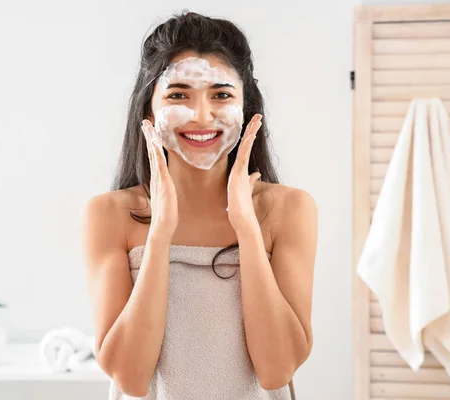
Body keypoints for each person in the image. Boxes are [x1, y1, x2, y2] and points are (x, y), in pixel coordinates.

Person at [81, 10, 318, 400]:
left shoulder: (288, 209)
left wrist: (247, 229)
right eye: (178, 95)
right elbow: (131, 377)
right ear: (149, 110)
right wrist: (160, 236)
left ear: (246, 111)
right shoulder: (109, 215)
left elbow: (277, 371)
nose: (201, 115)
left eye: (221, 95)